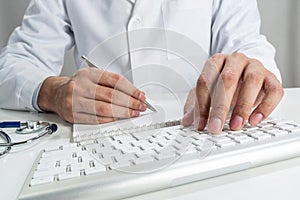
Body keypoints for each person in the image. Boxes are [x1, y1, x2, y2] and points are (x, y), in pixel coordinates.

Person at [0, 0, 283, 134]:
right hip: (102, 145)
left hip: (200, 135)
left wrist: (247, 74)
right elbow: (12, 66)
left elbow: (250, 47)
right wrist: (54, 91)